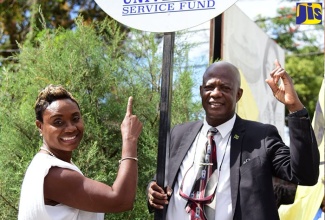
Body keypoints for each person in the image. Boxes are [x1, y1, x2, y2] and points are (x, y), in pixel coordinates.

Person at [147, 60, 319, 220]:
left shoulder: (261, 136)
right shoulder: (179, 133)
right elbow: (163, 181)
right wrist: (153, 189)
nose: (215, 93)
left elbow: (305, 175)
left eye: (225, 88)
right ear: (201, 91)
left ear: (238, 94)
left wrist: (295, 107)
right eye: (209, 87)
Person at [18, 85, 143, 220]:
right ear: (40, 126)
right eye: (58, 122)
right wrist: (130, 139)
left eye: (75, 118)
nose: (71, 128)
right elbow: (120, 200)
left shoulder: (46, 165)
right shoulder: (53, 174)